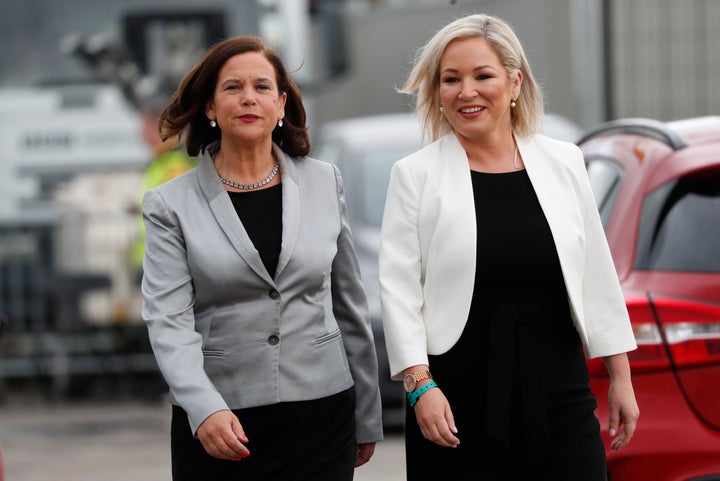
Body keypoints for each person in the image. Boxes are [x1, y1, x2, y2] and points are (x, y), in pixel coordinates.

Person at [378, 13, 639, 481]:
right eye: (451, 79)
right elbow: (398, 292)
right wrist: (420, 387)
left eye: (483, 75)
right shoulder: (414, 175)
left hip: (559, 390)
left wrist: (621, 377)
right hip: (453, 400)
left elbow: (595, 275)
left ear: (514, 82)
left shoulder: (565, 161)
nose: (466, 91)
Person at [140, 36, 383, 480]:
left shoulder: (325, 180)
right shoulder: (169, 204)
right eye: (232, 87)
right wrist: (203, 406)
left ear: (281, 104)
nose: (248, 97)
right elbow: (167, 319)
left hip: (322, 414)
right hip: (222, 424)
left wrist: (368, 411)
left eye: (262, 87)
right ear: (211, 108)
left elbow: (349, 304)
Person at [130, 92, 198, 280]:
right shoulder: (160, 164)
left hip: (166, 265)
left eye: (145, 127)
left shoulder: (175, 167)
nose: (141, 135)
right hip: (154, 261)